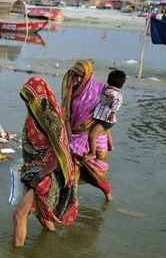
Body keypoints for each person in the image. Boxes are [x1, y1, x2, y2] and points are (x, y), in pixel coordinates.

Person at [13, 77, 78, 248]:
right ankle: (55, 244)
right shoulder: (32, 118)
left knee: (19, 215)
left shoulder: (52, 120)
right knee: (41, 216)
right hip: (34, 169)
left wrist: (41, 174)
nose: (28, 103)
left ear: (40, 98)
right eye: (25, 99)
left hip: (51, 173)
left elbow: (62, 154)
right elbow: (30, 147)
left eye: (30, 99)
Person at [61, 60, 113, 201]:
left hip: (96, 139)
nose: (77, 80)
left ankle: (109, 198)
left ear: (88, 75)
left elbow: (106, 116)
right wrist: (69, 138)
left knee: (99, 174)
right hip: (75, 137)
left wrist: (109, 139)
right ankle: (72, 201)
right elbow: (66, 117)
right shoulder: (71, 91)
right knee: (73, 170)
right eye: (75, 76)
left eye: (81, 76)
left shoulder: (102, 90)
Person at [84, 70, 126, 161]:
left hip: (106, 119)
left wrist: (113, 112)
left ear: (108, 80)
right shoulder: (109, 90)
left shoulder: (114, 93)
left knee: (92, 135)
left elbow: (118, 103)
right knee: (106, 130)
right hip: (103, 117)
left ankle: (92, 153)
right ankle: (110, 146)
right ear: (122, 84)